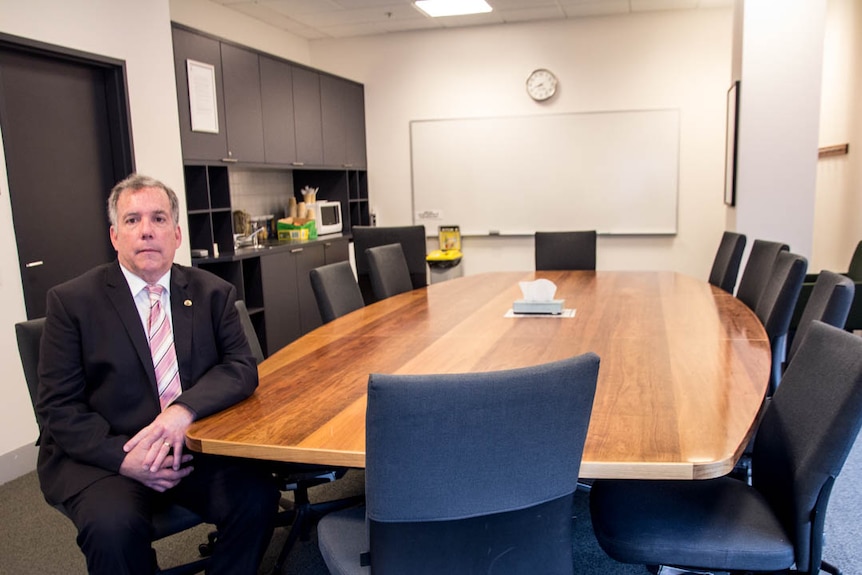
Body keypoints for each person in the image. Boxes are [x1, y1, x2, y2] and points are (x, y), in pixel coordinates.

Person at [36, 173, 279, 574]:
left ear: (178, 234)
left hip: (189, 446)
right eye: (132, 221)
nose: (146, 231)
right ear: (115, 236)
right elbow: (58, 408)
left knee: (257, 498)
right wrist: (125, 458)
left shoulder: (213, 293)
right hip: (107, 456)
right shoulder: (71, 303)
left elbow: (240, 367)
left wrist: (182, 411)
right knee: (113, 530)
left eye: (158, 219)